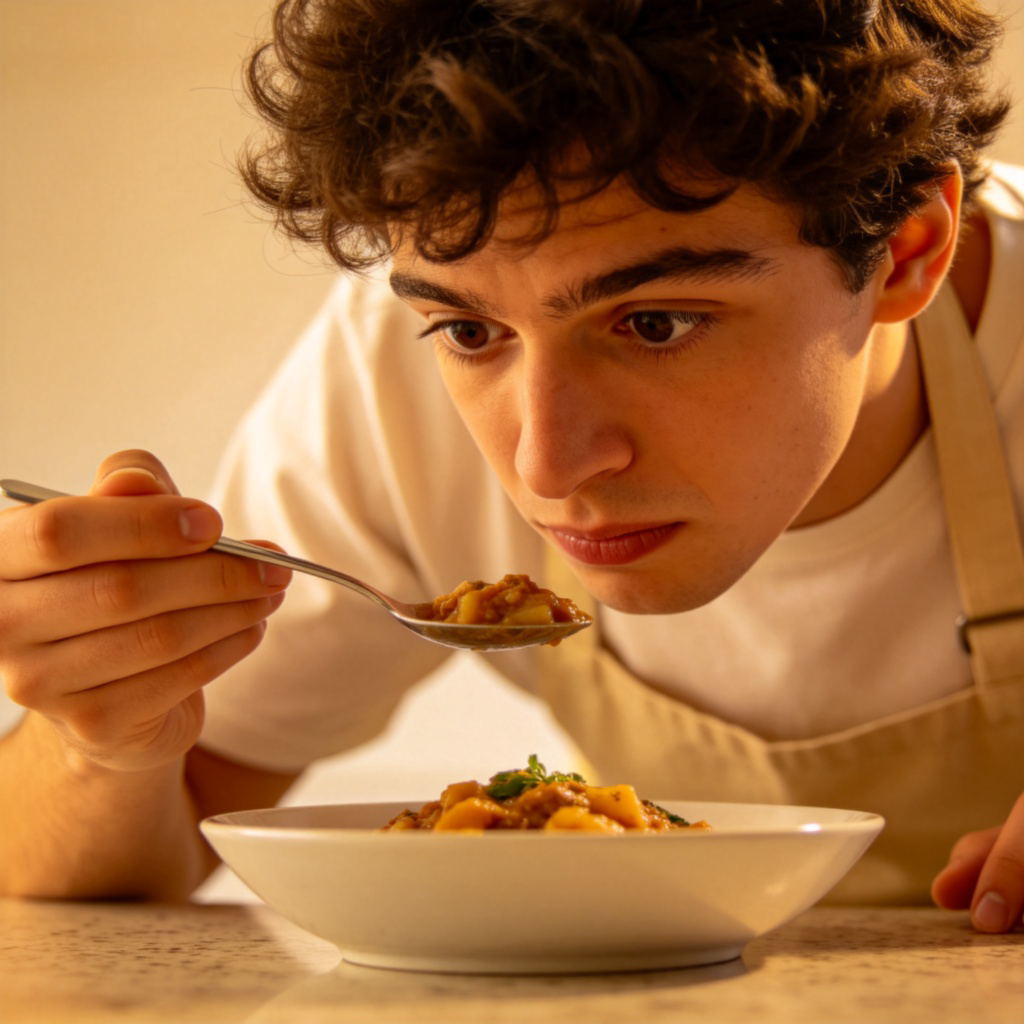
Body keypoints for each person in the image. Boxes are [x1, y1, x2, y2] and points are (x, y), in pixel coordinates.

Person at [0, 0, 1021, 931]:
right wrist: (106, 744)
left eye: (654, 323)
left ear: (905, 251)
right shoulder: (382, 377)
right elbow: (114, 839)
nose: (545, 460)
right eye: (469, 332)